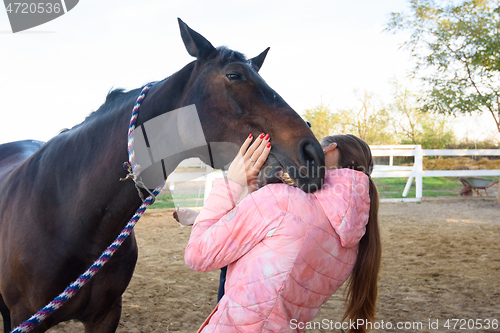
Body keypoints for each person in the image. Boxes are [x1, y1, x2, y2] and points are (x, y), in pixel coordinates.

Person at [181, 133, 381, 333]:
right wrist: (253, 192)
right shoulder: (353, 245)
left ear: (329, 149)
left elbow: (196, 255)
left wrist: (232, 182)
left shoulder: (282, 201)